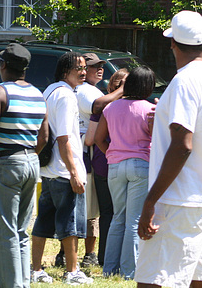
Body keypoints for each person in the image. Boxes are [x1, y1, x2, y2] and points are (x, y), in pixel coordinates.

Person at [135, 11, 202, 288]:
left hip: (178, 199)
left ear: (173, 43)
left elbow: (182, 146)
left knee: (153, 281)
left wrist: (150, 201)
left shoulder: (184, 81)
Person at [31, 52, 93, 285]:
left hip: (48, 169)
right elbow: (65, 139)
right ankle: (72, 271)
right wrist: (75, 172)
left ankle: (36, 270)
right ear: (65, 70)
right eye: (79, 68)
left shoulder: (49, 90)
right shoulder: (66, 96)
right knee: (71, 225)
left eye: (85, 67)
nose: (84, 72)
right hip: (64, 171)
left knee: (43, 221)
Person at [0, 44, 48, 288]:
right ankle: (22, 283)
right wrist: (27, 157)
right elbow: (43, 138)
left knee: (4, 234)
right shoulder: (38, 93)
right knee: (21, 231)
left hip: (6, 162)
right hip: (31, 162)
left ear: (3, 65)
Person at [95, 66, 156, 279]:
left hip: (115, 166)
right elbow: (157, 140)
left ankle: (109, 270)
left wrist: (112, 154)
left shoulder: (110, 108)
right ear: (148, 86)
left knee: (117, 218)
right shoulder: (149, 109)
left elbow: (99, 139)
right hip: (141, 165)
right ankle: (130, 272)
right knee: (134, 219)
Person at [67, 52, 123, 268]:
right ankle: (75, 253)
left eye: (101, 66)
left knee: (91, 209)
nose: (99, 69)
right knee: (85, 208)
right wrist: (123, 91)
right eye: (93, 66)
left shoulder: (88, 89)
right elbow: (97, 108)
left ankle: (87, 253)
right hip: (84, 156)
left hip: (88, 156)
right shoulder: (85, 91)